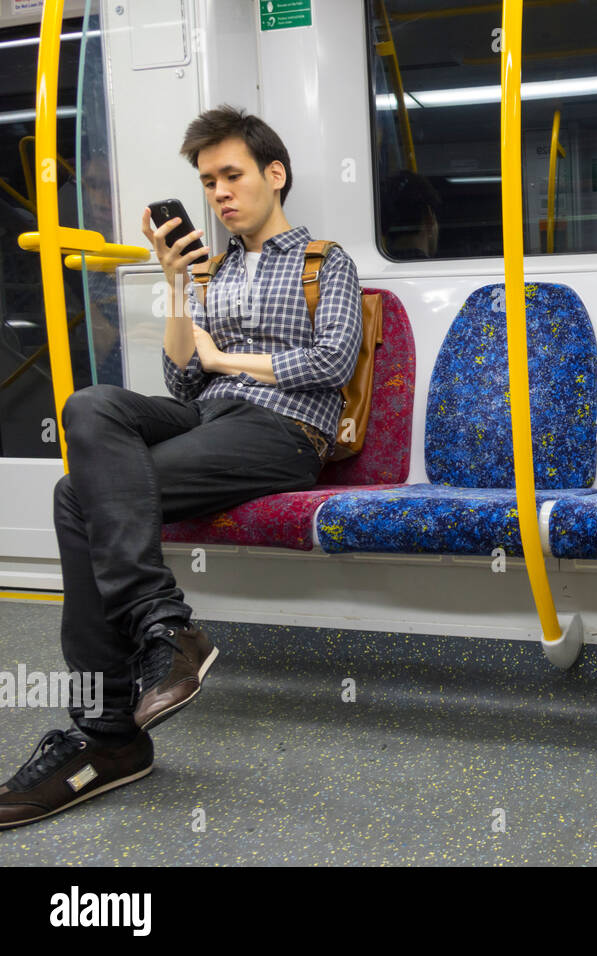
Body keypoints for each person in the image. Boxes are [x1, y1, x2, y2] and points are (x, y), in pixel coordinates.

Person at [0, 105, 362, 829]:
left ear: (275, 174)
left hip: (283, 429)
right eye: (208, 182)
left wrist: (224, 355)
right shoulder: (211, 269)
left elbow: (332, 362)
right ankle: (165, 628)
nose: (220, 193)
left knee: (79, 496)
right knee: (91, 404)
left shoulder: (326, 260)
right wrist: (175, 288)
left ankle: (108, 732)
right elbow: (183, 386)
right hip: (209, 414)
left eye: (233, 175)